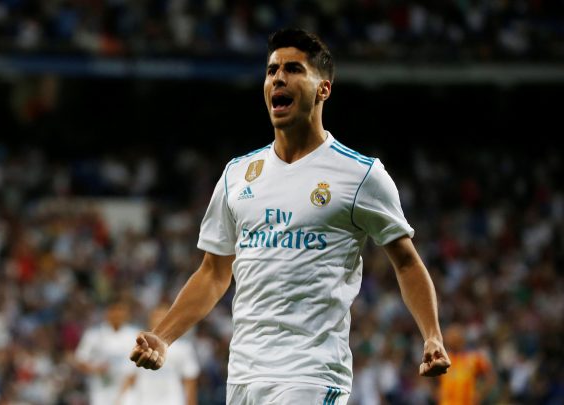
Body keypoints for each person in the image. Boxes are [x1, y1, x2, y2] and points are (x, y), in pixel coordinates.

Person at [130, 28, 450, 404]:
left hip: (311, 375)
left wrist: (432, 335)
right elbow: (213, 273)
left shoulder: (361, 175)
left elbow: (407, 263)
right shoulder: (237, 174)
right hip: (244, 377)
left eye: (294, 69)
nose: (278, 78)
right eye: (272, 70)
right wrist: (163, 336)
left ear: (323, 89)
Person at [127, 304, 200, 405]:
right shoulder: (139, 346)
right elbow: (131, 377)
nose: (159, 320)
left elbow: (190, 379)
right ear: (150, 320)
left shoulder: (183, 348)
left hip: (173, 401)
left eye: (163, 316)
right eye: (156, 316)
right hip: (144, 401)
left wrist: (191, 402)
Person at [75, 297, 139, 405]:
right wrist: (95, 368)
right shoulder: (93, 335)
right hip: (100, 391)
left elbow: (138, 369)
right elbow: (80, 360)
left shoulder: (135, 335)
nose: (117, 314)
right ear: (107, 312)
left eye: (121, 310)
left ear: (127, 313)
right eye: (114, 310)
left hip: (127, 391)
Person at [437, 324, 495, 405]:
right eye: (449, 337)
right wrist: (436, 392)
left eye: (454, 337)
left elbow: (490, 377)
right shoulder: (441, 359)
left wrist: (480, 394)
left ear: (461, 339)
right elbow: (429, 377)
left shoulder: (474, 358)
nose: (450, 340)